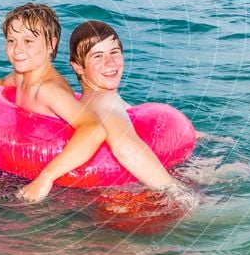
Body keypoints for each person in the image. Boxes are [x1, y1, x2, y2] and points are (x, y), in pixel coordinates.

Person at [0, 3, 106, 203]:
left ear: (51, 44)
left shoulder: (48, 90)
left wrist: (47, 177)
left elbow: (94, 128)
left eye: (28, 41)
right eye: (11, 40)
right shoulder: (21, 76)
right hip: (16, 162)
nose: (18, 50)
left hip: (44, 174)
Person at [68, 20, 199, 210]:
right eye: (98, 56)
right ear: (78, 67)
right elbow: (125, 148)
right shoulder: (105, 100)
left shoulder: (88, 102)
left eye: (114, 52)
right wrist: (178, 191)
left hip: (100, 200)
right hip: (128, 201)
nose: (110, 62)